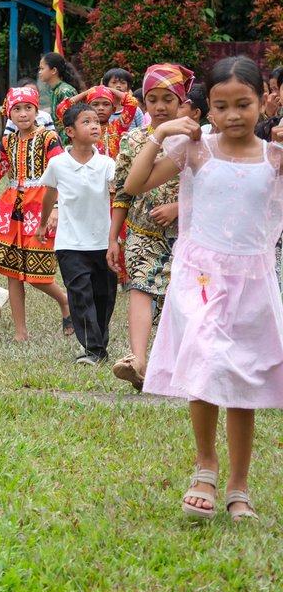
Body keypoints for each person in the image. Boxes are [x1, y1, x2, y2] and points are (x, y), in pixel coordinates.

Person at [124, 56, 283, 522]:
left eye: (244, 104)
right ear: (206, 109)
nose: (233, 115)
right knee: (209, 359)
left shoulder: (275, 158)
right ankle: (205, 467)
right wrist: (161, 133)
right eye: (221, 106)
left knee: (241, 377)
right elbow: (134, 183)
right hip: (200, 276)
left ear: (263, 101)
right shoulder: (196, 151)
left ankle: (239, 484)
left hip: (252, 277)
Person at [108, 64, 189, 391]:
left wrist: (178, 207)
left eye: (167, 98)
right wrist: (113, 237)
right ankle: (138, 361)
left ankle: (183, 365)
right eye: (152, 98)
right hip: (142, 231)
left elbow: (213, 188)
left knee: (181, 299)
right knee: (139, 288)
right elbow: (123, 190)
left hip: (189, 235)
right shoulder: (133, 139)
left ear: (181, 102)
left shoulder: (196, 137)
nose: (159, 106)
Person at [0, 86, 72, 342]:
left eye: (28, 108)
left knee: (37, 275)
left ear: (37, 110)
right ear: (9, 113)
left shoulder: (48, 139)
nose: (23, 114)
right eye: (17, 109)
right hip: (13, 207)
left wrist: (56, 207)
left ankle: (65, 301)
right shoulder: (7, 141)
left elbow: (61, 174)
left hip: (41, 207)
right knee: (13, 272)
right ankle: (20, 332)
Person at [37, 103, 117, 365]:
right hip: (70, 242)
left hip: (102, 241)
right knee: (80, 294)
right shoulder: (58, 164)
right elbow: (49, 194)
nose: (95, 125)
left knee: (103, 296)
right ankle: (93, 348)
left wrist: (115, 237)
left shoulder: (106, 163)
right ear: (69, 131)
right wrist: (42, 223)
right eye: (87, 121)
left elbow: (117, 198)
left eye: (96, 121)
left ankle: (98, 342)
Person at [56, 85, 139, 158]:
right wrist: (87, 93)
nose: (101, 108)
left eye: (106, 104)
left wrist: (108, 89)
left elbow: (132, 102)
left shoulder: (117, 127)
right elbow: (61, 109)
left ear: (113, 110)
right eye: (95, 104)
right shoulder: (80, 129)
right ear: (88, 107)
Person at [38, 53, 85, 142]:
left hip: (69, 140)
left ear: (53, 70)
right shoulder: (55, 90)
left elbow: (73, 120)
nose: (40, 72)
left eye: (42, 68)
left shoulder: (64, 91)